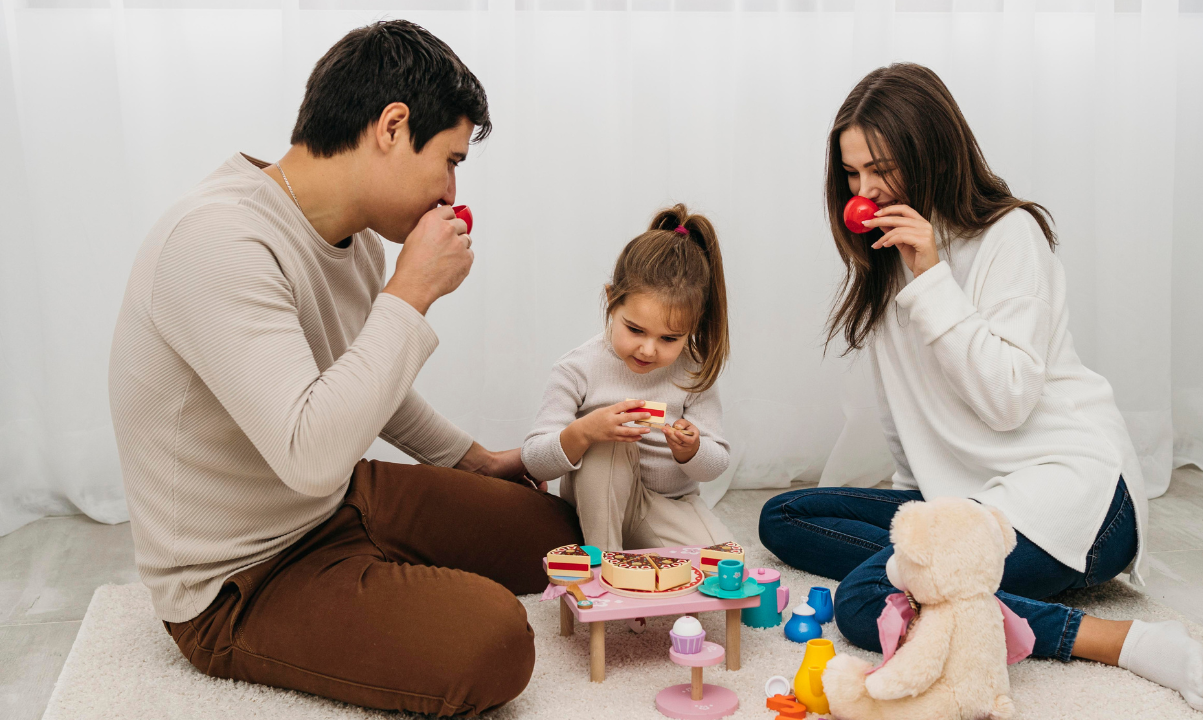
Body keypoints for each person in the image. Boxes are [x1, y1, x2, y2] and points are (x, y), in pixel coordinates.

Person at [107, 20, 581, 716]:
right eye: (449, 159)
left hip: (335, 501)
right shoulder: (217, 242)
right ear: (392, 126)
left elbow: (362, 381)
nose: (451, 193)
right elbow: (308, 454)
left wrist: (474, 462)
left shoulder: (353, 237)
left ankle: (378, 577)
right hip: (241, 580)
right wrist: (412, 292)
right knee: (495, 642)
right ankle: (368, 593)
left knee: (558, 537)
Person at [757, 63, 1203, 711]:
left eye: (880, 169)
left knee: (865, 601)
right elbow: (906, 415)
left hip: (1073, 493)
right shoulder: (886, 259)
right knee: (786, 516)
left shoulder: (1009, 236)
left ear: (931, 151)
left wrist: (932, 275)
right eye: (853, 174)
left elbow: (1007, 402)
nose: (865, 190)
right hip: (969, 496)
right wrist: (917, 521)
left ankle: (1115, 639)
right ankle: (951, 575)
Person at [522, 204, 734, 552]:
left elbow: (715, 465)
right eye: (635, 330)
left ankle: (632, 550)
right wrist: (585, 431)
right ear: (611, 302)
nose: (648, 350)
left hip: (668, 505)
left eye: (669, 339)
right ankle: (604, 559)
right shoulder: (577, 368)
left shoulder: (694, 371)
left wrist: (691, 448)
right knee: (609, 439)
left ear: (691, 329)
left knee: (724, 565)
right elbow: (535, 461)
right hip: (599, 509)